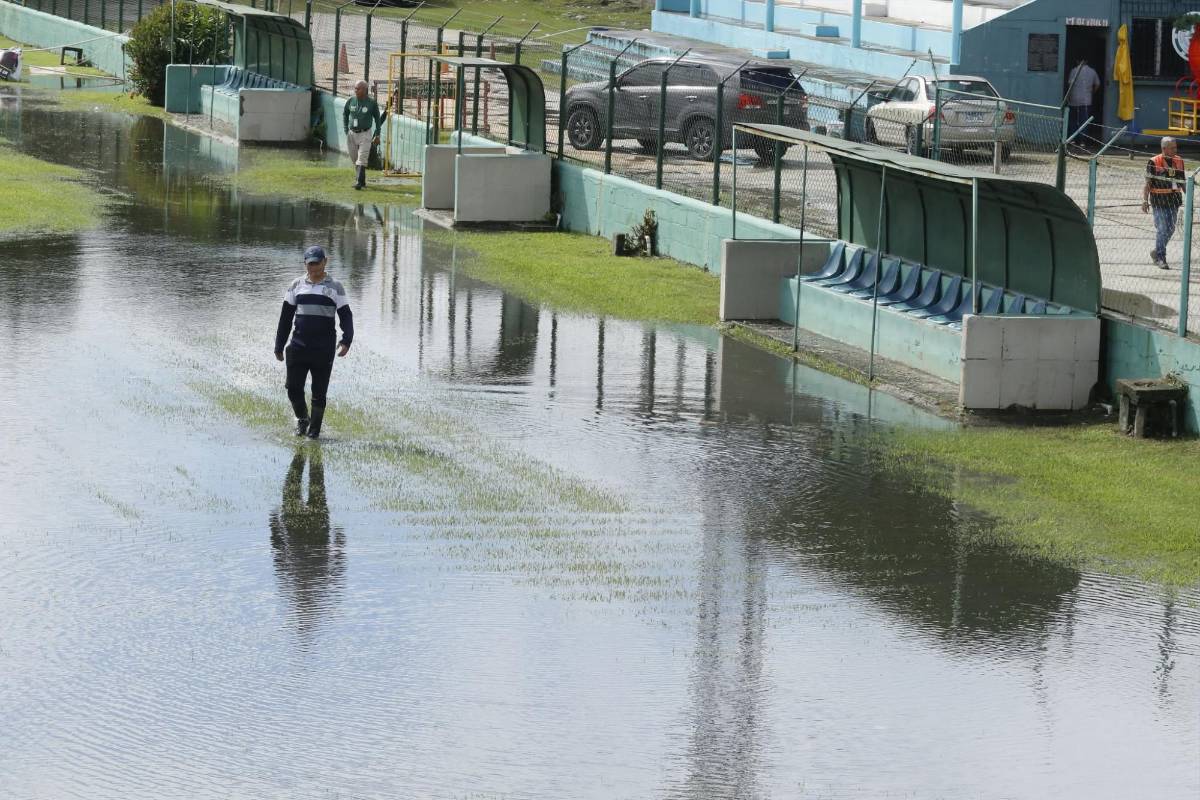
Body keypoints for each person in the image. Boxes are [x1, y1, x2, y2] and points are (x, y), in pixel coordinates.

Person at [274, 246, 354, 439]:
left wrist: (346, 340)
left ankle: (314, 433)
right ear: (305, 264)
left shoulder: (335, 287)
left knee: (319, 393)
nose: (313, 267)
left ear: (325, 262)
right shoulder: (296, 285)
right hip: (298, 346)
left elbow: (346, 316)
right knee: (293, 389)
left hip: (323, 349)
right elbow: (285, 318)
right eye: (310, 264)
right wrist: (279, 345)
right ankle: (303, 419)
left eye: (317, 263)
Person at [1143, 137, 1186, 270]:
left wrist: (1189, 197)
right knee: (1162, 229)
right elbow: (1147, 184)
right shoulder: (1154, 161)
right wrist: (1144, 200)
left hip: (1174, 201)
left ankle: (1156, 251)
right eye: (1172, 148)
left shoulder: (1179, 160)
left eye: (1175, 147)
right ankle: (1160, 257)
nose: (1175, 149)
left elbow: (1182, 182)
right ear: (1164, 149)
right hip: (1159, 201)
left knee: (1171, 228)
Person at [342, 79, 383, 190]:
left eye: (358, 88)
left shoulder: (371, 103)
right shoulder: (351, 101)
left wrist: (377, 134)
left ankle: (358, 183)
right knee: (355, 159)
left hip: (365, 134)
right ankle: (362, 181)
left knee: (362, 158)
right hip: (351, 134)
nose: (355, 90)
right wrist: (346, 130)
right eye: (355, 88)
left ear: (365, 90)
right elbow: (345, 114)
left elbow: (378, 119)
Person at [1067, 58, 1101, 145]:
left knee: (1073, 120)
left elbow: (1070, 85)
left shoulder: (1074, 71)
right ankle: (1083, 141)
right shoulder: (1092, 71)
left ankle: (1072, 139)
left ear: (1077, 61)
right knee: (1084, 121)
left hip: (1074, 99)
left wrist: (1068, 97)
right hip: (1086, 100)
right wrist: (1091, 92)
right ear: (1087, 61)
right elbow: (1097, 84)